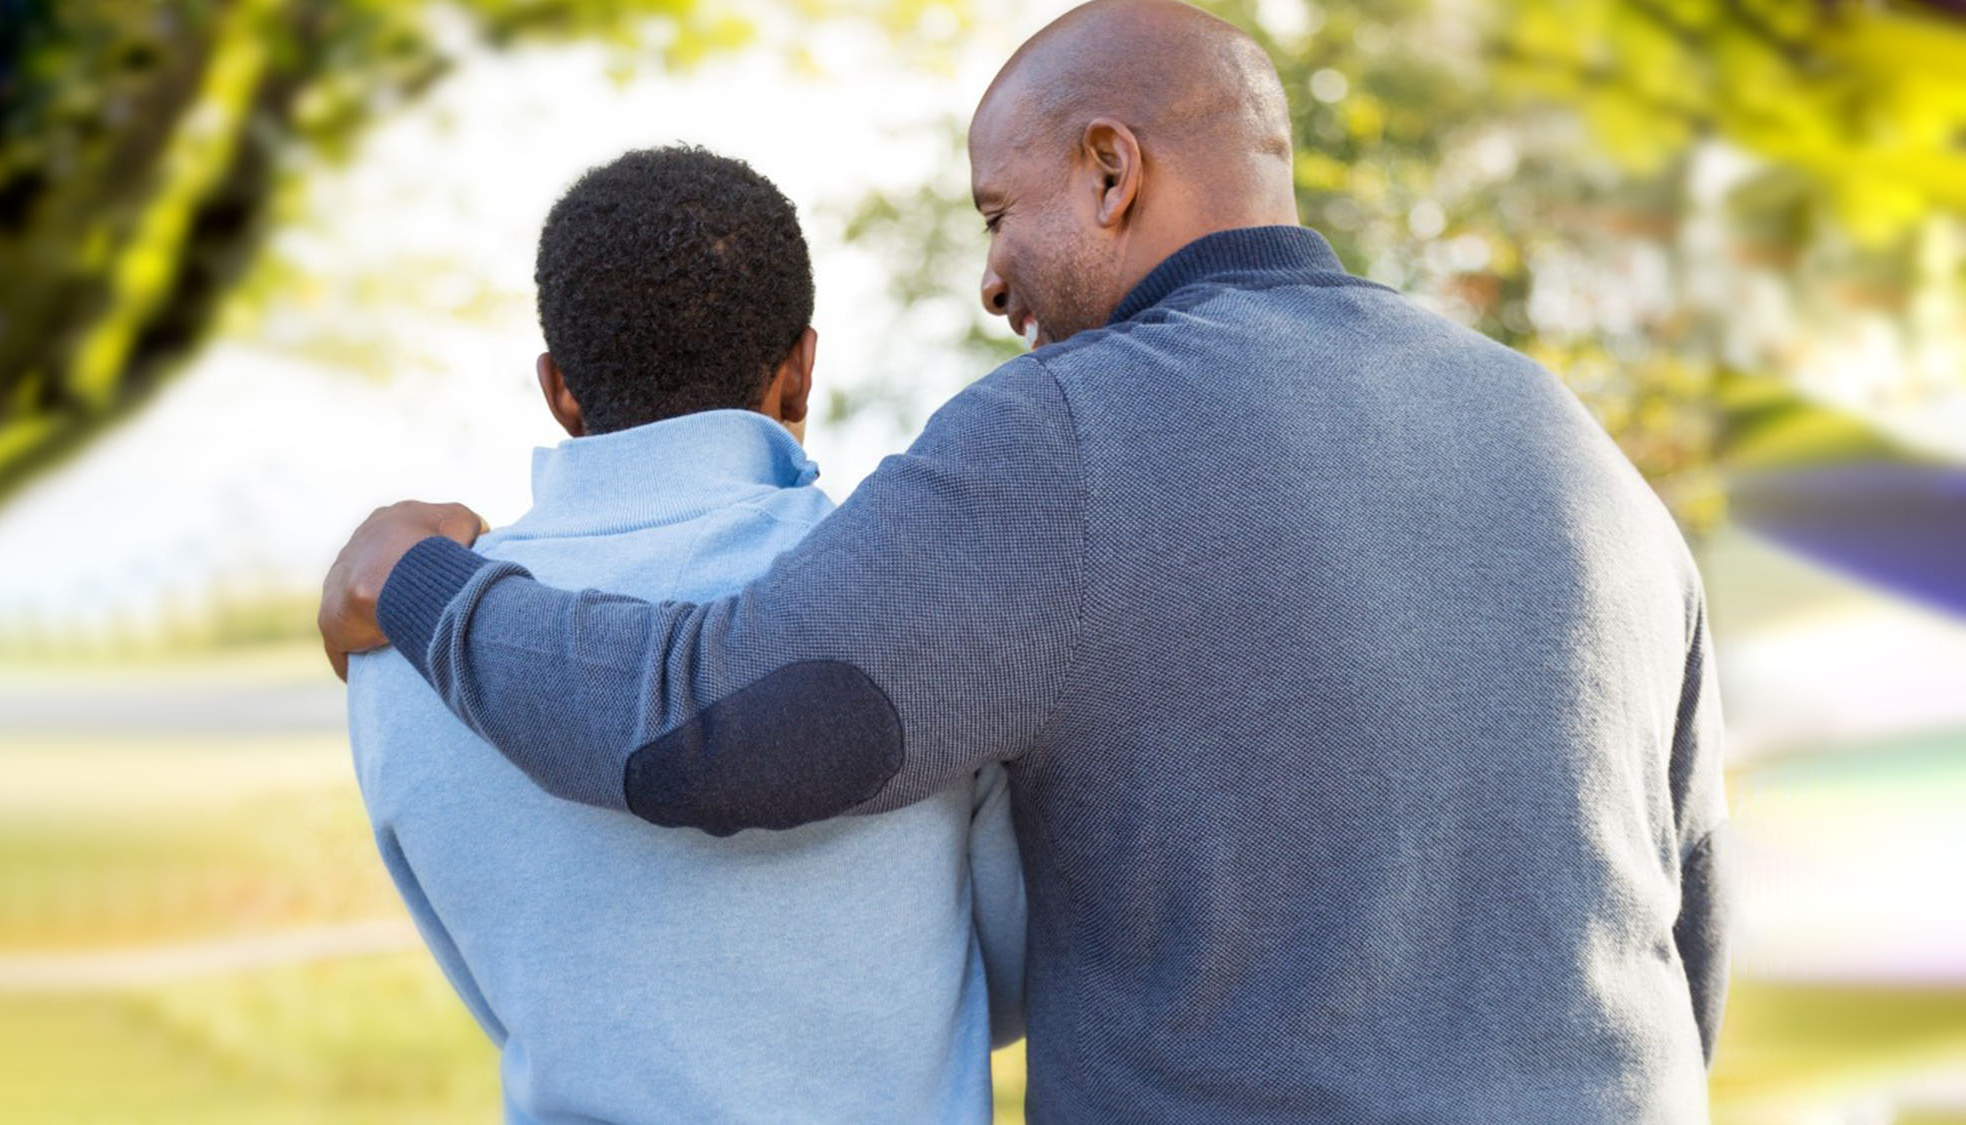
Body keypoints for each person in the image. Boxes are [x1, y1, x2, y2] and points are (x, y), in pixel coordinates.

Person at [321, 1, 1730, 1119]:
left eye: (998, 214)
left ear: (1111, 170)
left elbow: (708, 732)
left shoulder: (1069, 434)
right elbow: (1692, 911)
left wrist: (422, 582)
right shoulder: (1572, 439)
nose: (990, 282)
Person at [344, 146, 1026, 1125]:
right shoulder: (917, 595)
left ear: (559, 388)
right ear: (799, 369)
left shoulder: (397, 641)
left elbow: (492, 985)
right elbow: (1005, 962)